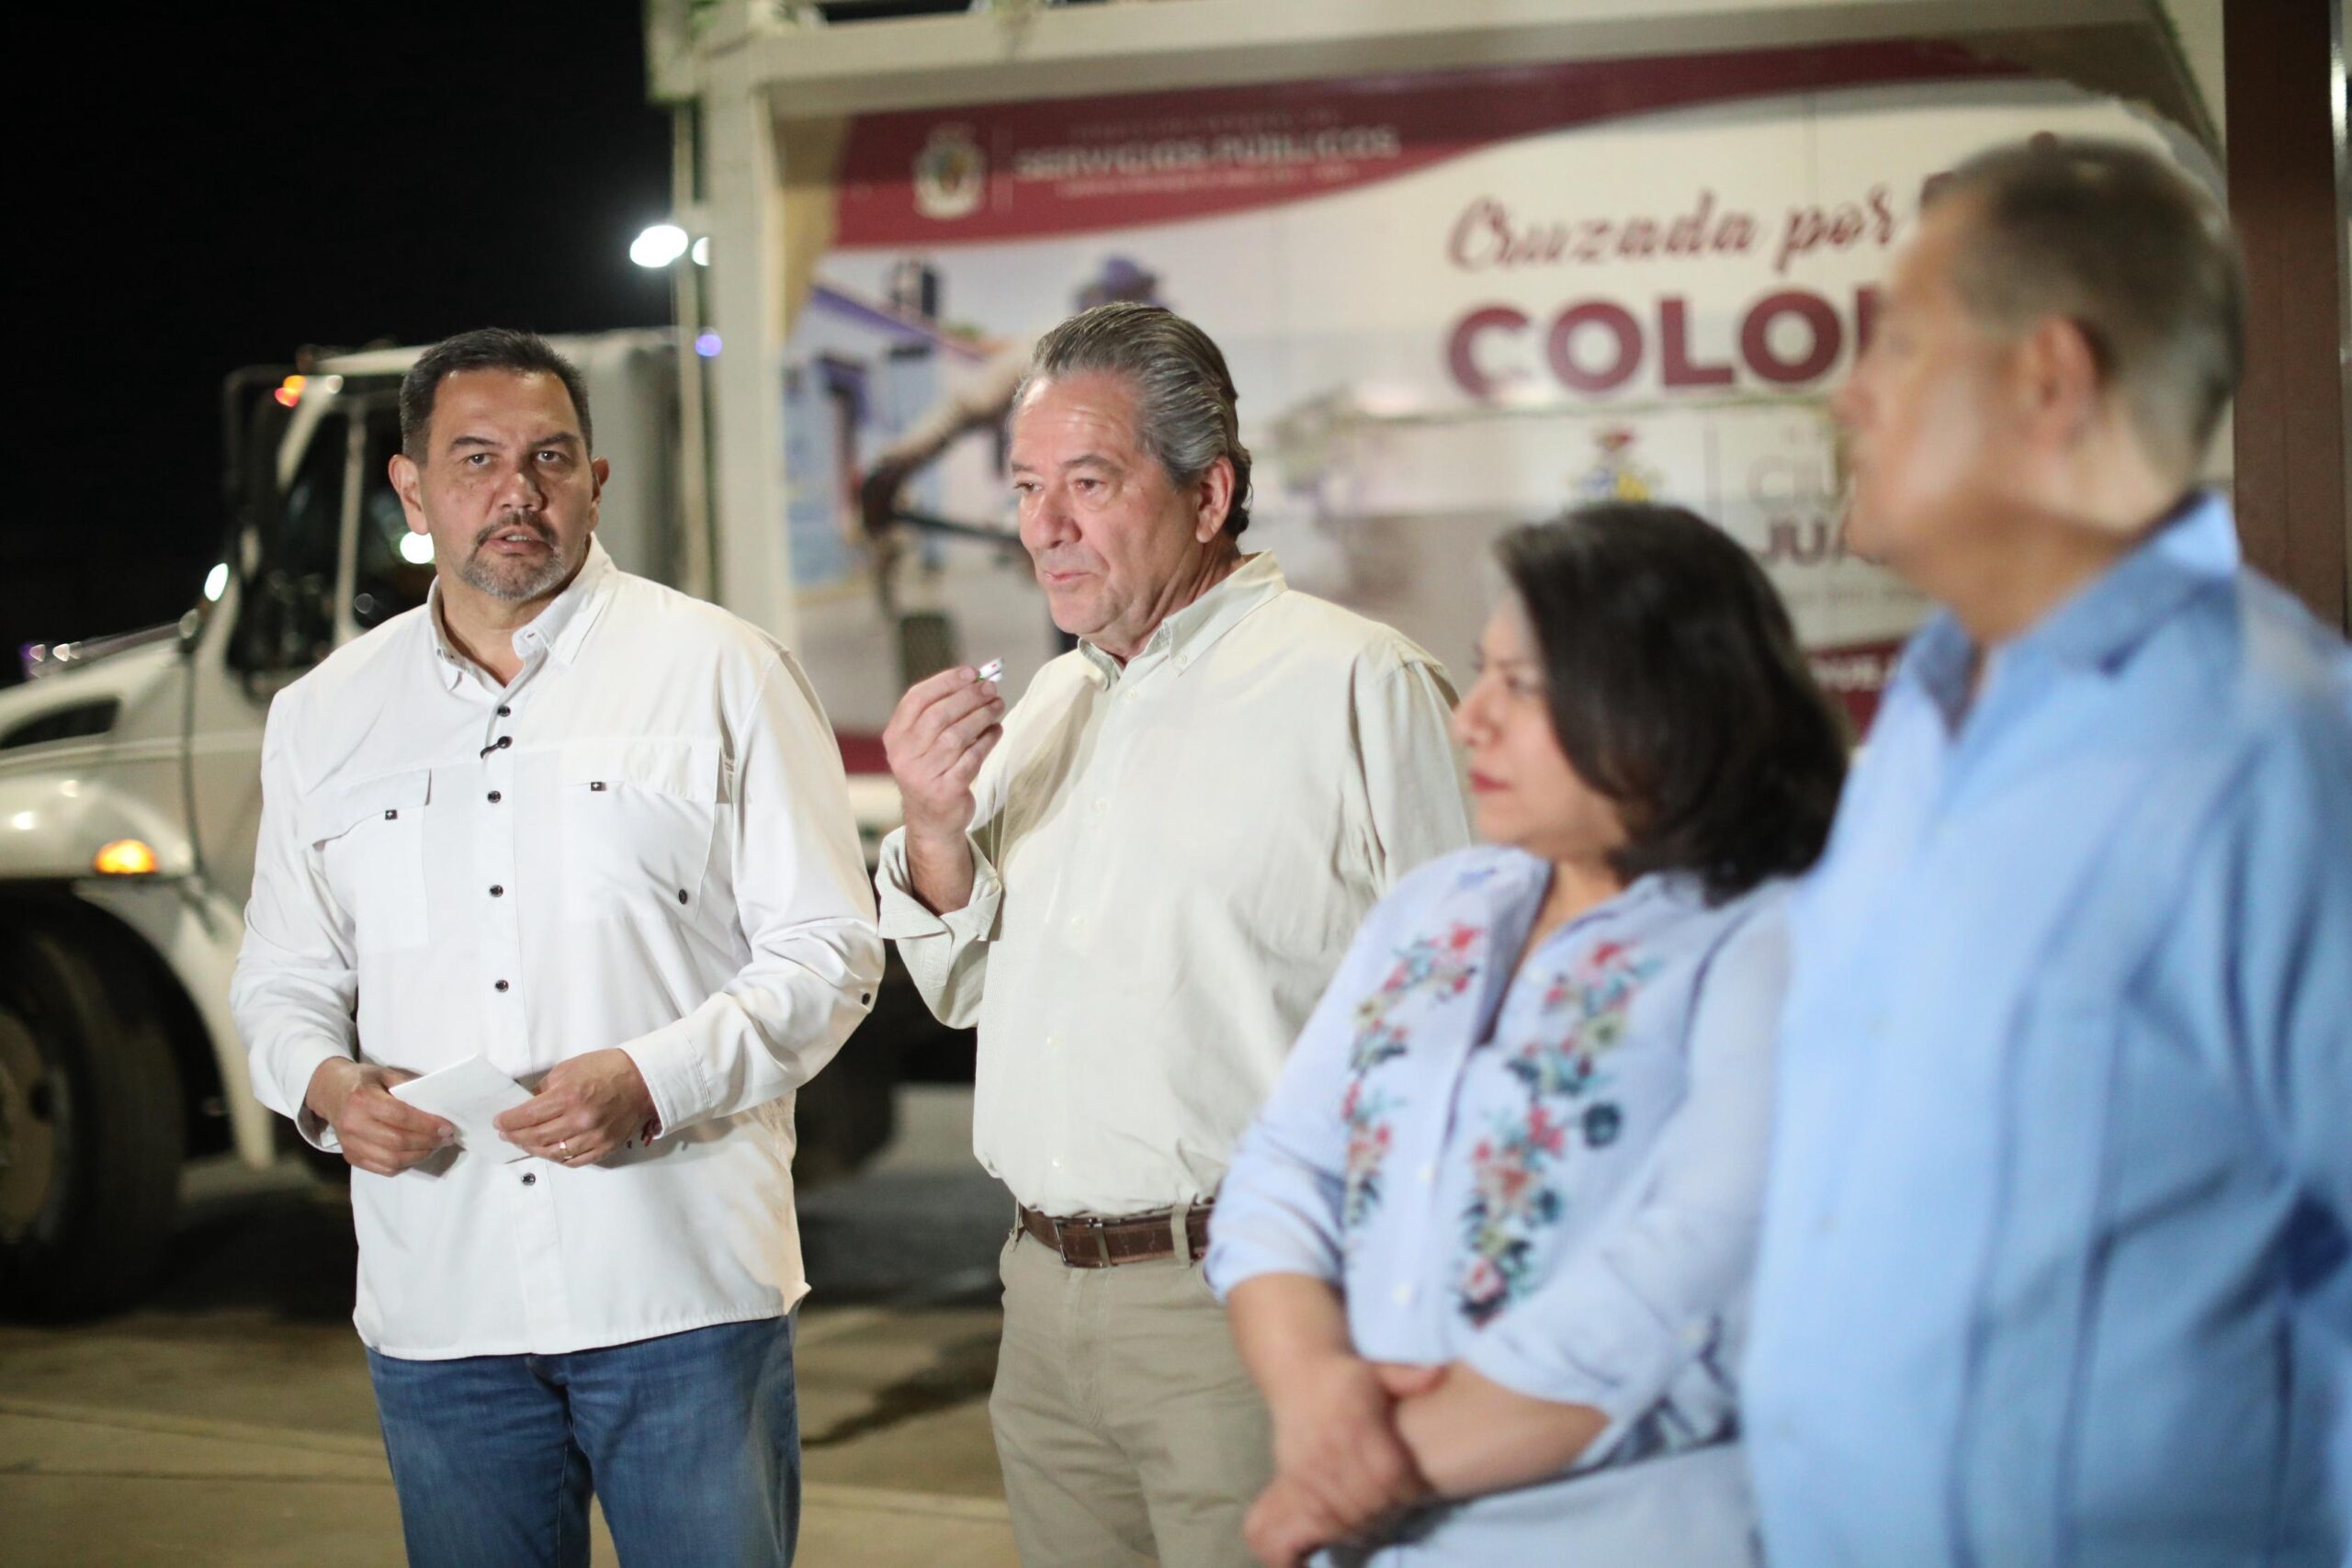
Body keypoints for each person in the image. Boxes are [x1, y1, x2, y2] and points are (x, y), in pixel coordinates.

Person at [1744, 137, 2352, 1564]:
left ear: (2049, 380)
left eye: (1897, 341)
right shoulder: (1925, 724)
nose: (1849, 394)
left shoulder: (2276, 751)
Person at [230, 328, 882, 1568]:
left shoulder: (721, 671)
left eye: (549, 457)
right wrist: (325, 1085)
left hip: (679, 1291)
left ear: (596, 480)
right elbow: (281, 974)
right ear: (412, 488)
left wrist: (654, 1079)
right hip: (443, 1301)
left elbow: (830, 949)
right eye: (475, 459)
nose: (517, 491)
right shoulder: (324, 715)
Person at [875, 301, 1476, 1567]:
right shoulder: (1051, 702)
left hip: (1249, 1298)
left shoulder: (1357, 684)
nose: (1044, 526)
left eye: (1088, 483)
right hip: (1041, 1300)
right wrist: (933, 826)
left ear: (1210, 495)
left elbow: (1464, 1021)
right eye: (1026, 486)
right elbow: (965, 989)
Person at [1208, 503, 1850, 1565]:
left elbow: (1688, 1285)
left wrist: (1352, 1476)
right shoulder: (1440, 906)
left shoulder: (1775, 942)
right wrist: (1313, 1387)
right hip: (1376, 1526)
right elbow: (1283, 1166)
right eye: (1482, 674)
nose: (1472, 720)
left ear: (1664, 701)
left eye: (1524, 686)